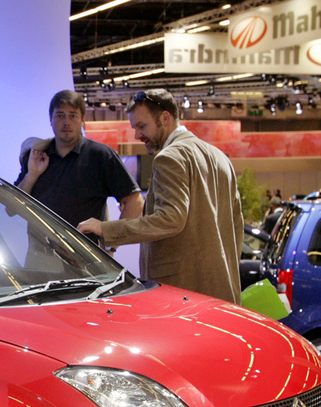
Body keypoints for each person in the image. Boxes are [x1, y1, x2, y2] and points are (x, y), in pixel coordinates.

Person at [77, 89, 244, 304]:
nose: (137, 135)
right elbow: (237, 226)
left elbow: (170, 219)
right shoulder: (219, 157)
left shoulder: (169, 157)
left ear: (165, 118)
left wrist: (106, 229)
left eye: (142, 126)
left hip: (181, 296)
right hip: (222, 290)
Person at [16, 90, 143, 234]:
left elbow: (135, 202)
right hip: (40, 253)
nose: (66, 122)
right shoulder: (37, 156)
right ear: (50, 119)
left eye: (73, 116)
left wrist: (111, 243)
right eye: (60, 115)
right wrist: (31, 175)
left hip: (84, 254)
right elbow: (12, 208)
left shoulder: (100, 156)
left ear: (83, 119)